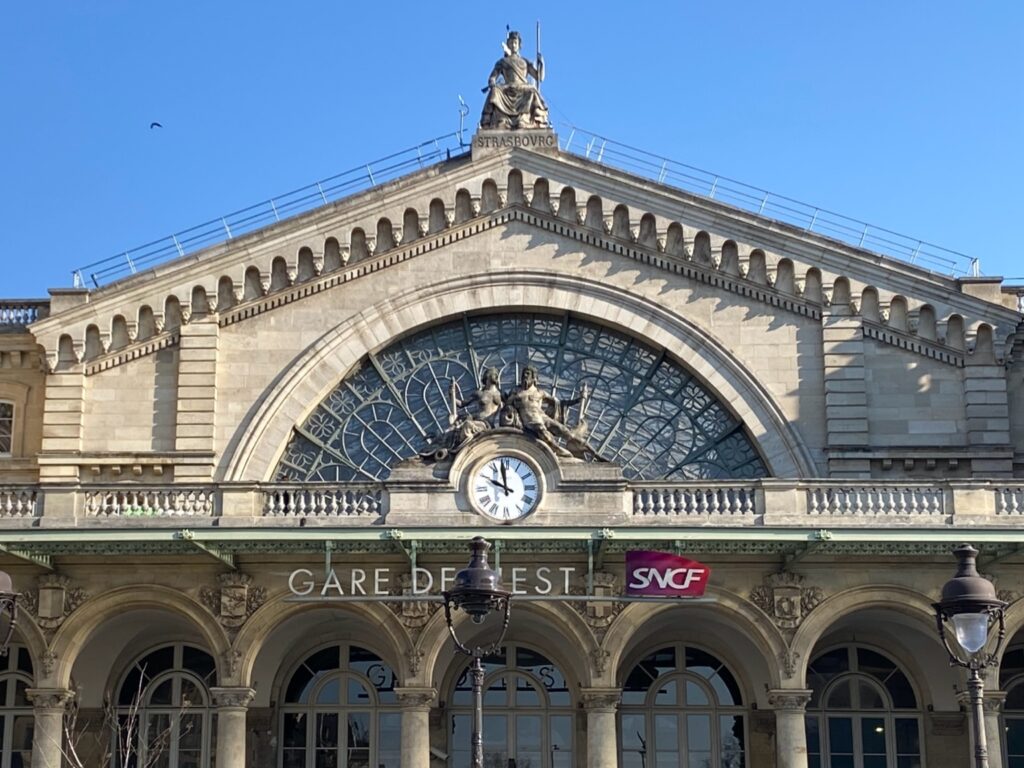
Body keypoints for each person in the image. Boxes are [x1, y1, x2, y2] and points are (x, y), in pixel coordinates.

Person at [480, 30, 549, 130]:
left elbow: (539, 77)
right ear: (508, 44)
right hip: (507, 87)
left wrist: (541, 64)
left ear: (519, 45)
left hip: (522, 87)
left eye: (515, 42)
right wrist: (492, 82)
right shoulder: (502, 62)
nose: (513, 45)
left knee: (532, 90)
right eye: (511, 42)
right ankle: (502, 120)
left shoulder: (524, 62)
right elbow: (492, 76)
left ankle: (523, 119)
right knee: (495, 91)